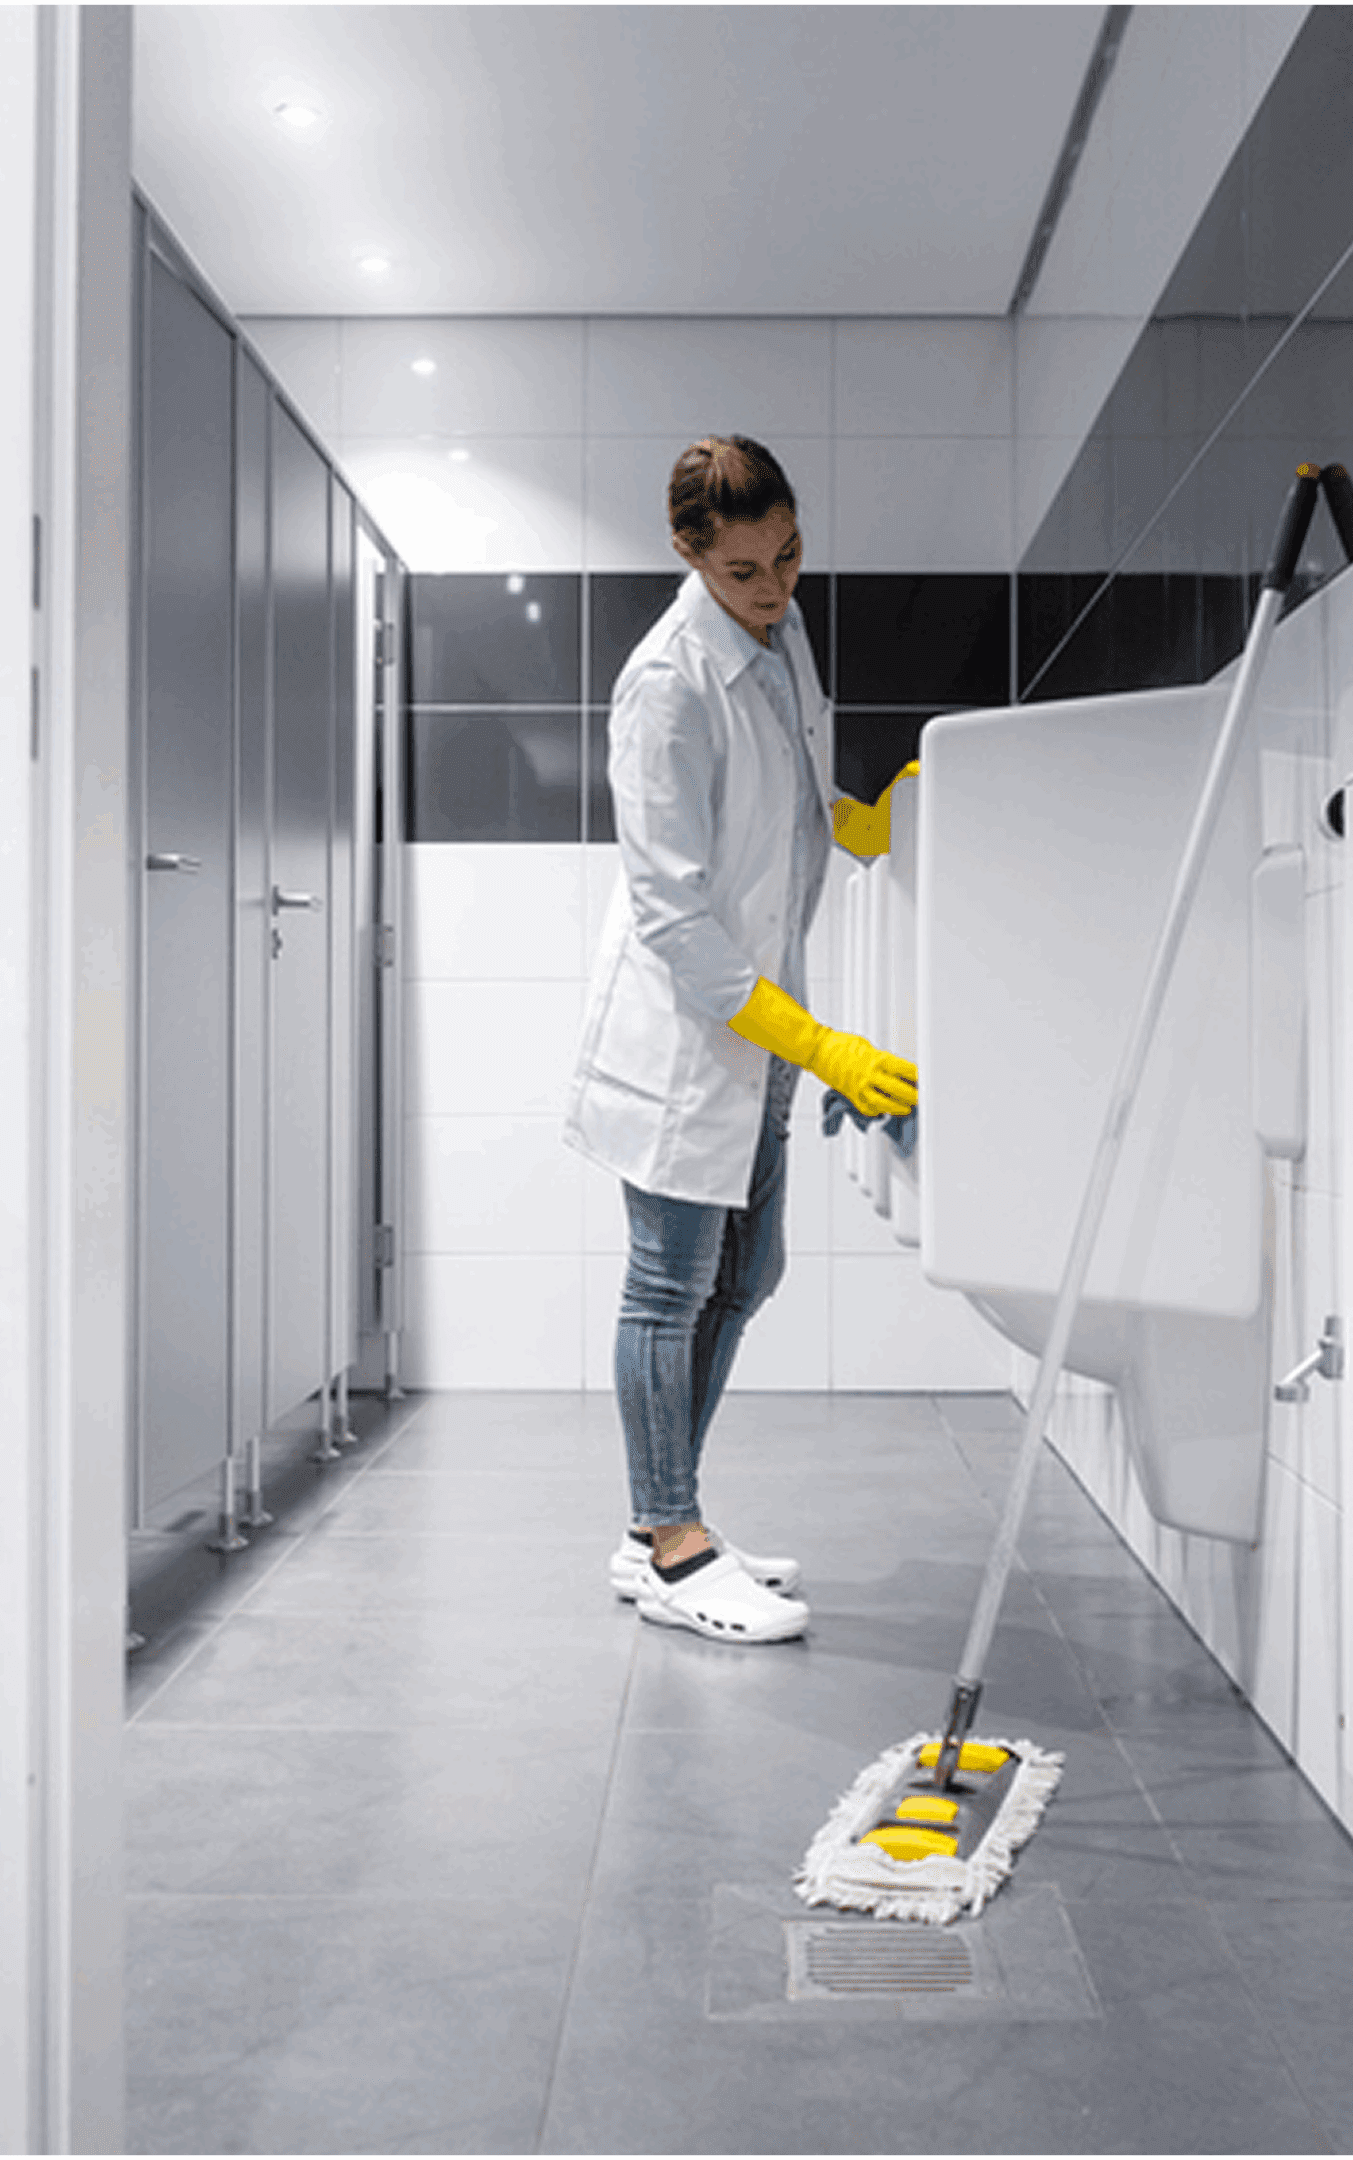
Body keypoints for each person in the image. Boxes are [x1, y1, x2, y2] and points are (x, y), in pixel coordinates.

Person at [564, 435, 917, 1645]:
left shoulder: (776, 637)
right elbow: (671, 908)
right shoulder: (664, 682)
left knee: (744, 1274)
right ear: (688, 554)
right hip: (690, 1032)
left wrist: (870, 823)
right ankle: (670, 1544)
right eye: (745, 573)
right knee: (668, 1286)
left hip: (758, 1027)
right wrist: (814, 1045)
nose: (775, 588)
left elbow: (789, 795)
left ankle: (661, 1521)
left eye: (788, 557)